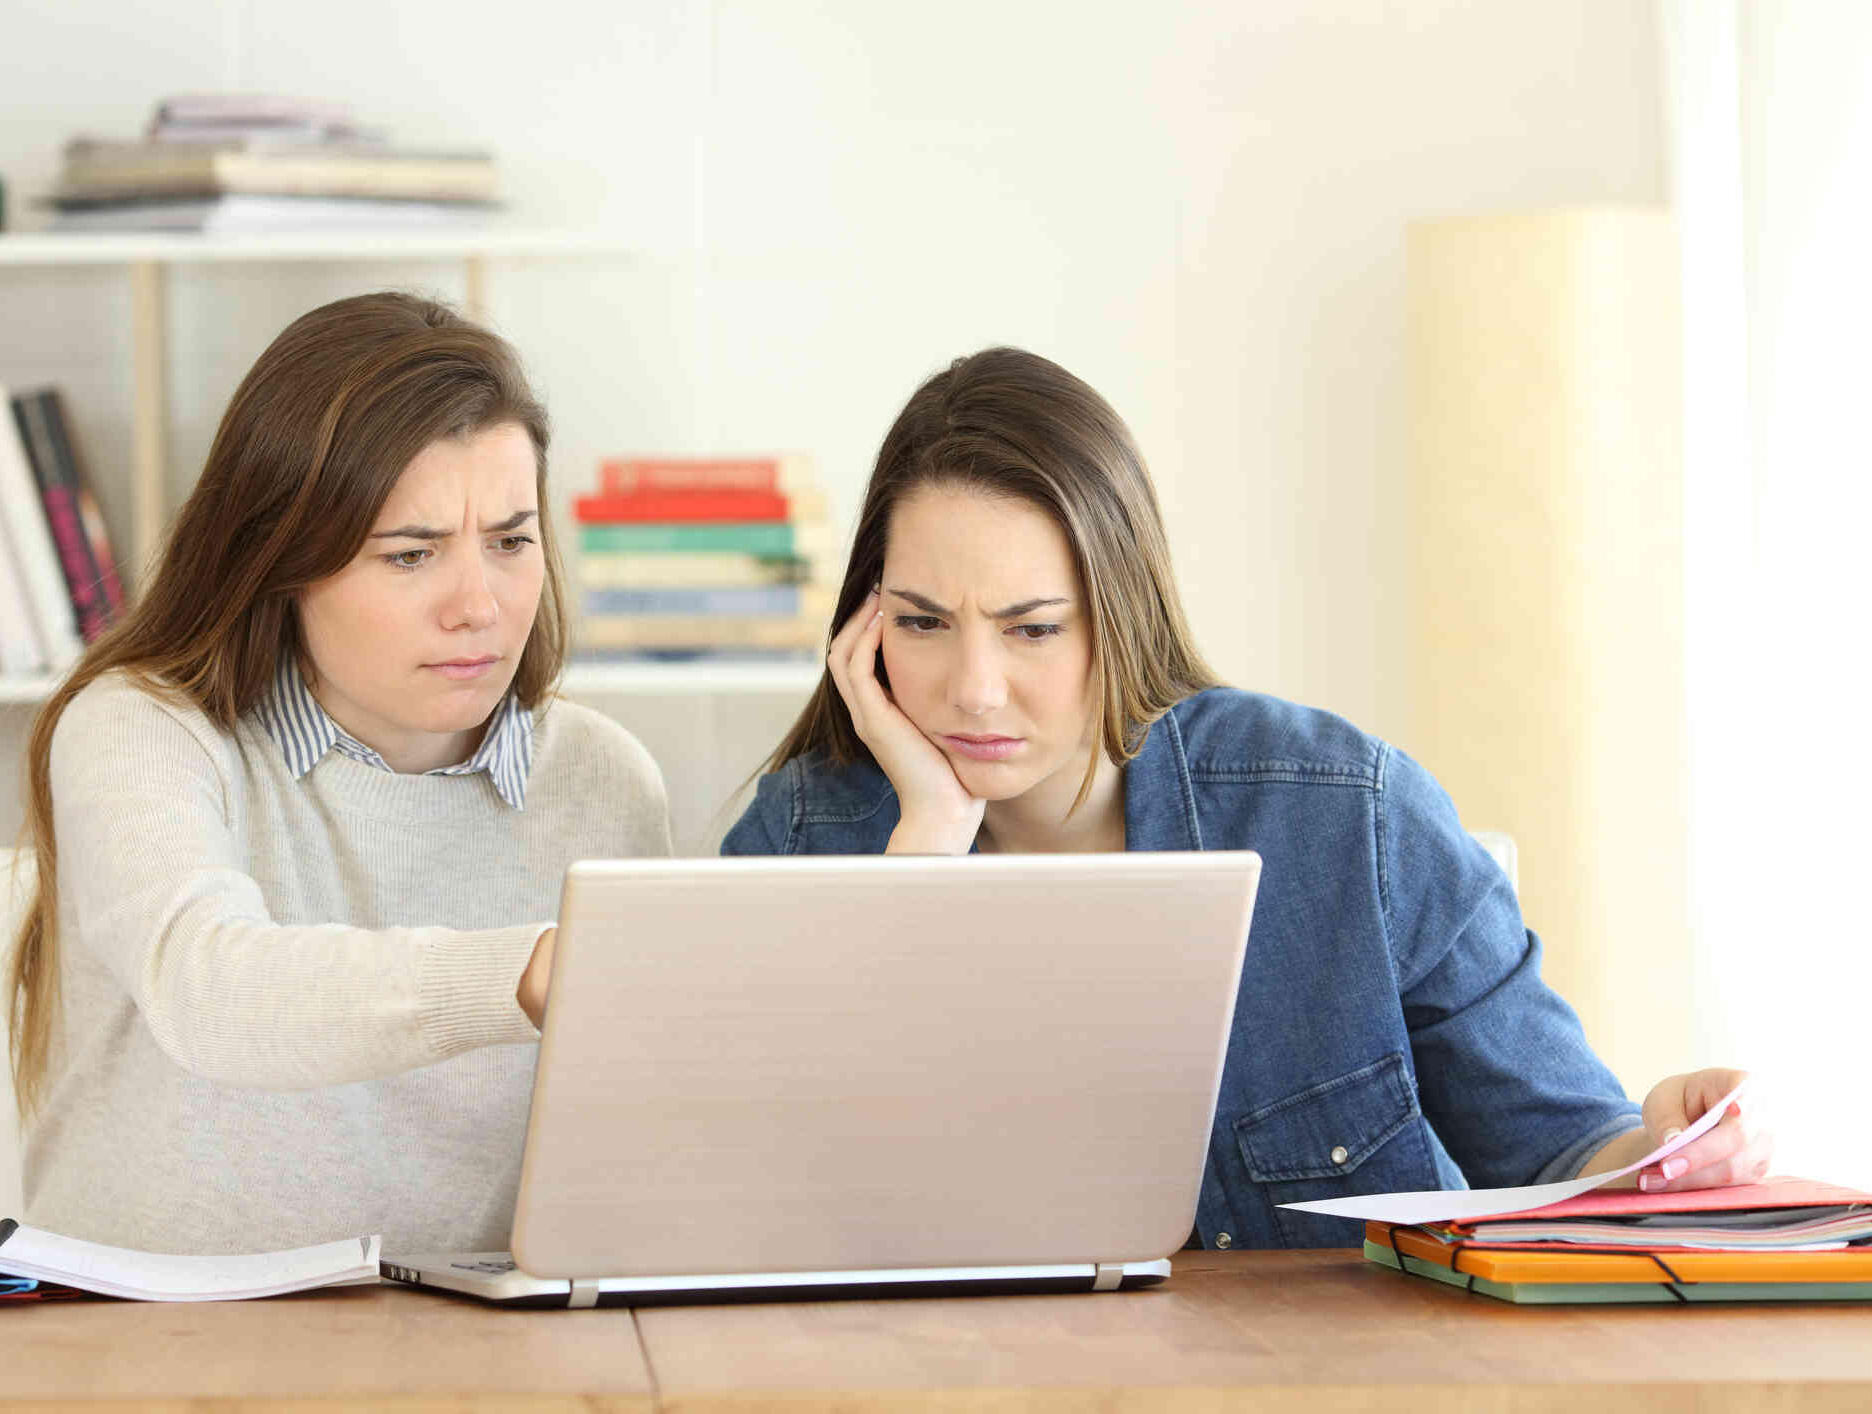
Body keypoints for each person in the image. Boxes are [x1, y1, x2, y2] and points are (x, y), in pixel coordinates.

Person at [722, 346, 1769, 1249]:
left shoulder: (1347, 818)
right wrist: (929, 846)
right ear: (865, 625)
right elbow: (756, 1211)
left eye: (1033, 627)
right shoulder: (803, 836)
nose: (974, 687)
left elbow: (1565, 1151)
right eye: (921, 623)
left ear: (1120, 616)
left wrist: (1668, 1152)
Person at [7, 292, 670, 1254]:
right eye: (411, 554)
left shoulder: (605, 780)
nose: (479, 606)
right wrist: (517, 973)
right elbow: (211, 993)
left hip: (473, 1355)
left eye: (511, 541)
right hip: (147, 1351)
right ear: (281, 559)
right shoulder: (141, 730)